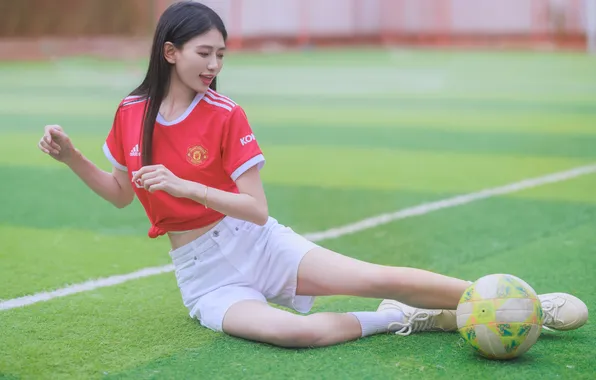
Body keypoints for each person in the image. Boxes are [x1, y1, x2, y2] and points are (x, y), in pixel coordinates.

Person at [37, 1, 588, 348]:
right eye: (205, 53)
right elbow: (118, 195)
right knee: (297, 334)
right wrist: (72, 159)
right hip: (204, 275)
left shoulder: (226, 115)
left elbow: (256, 209)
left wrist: (185, 186)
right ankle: (407, 320)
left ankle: (528, 306)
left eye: (222, 55)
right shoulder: (130, 112)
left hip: (255, 241)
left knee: (375, 275)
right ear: (170, 52)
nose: (214, 66)